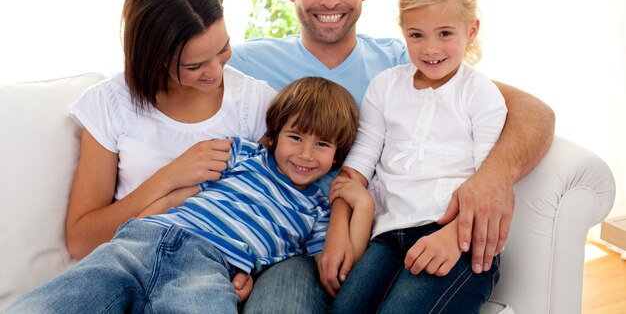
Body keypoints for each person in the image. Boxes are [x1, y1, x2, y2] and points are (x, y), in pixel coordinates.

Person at [228, 0, 555, 312]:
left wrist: (493, 181)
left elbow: (534, 112)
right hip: (302, 239)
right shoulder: (247, 62)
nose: (330, 0)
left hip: (402, 230)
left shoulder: (409, 62)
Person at [7, 77, 373, 314]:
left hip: (209, 269)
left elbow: (341, 263)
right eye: (295, 137)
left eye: (322, 145)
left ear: (337, 155)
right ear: (274, 134)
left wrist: (363, 203)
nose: (306, 154)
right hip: (147, 239)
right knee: (54, 303)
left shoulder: (314, 210)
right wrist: (140, 222)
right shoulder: (244, 154)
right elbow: (183, 193)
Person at [64, 0, 276, 299]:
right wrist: (169, 178)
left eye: (223, 50)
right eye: (194, 66)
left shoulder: (255, 103)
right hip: (125, 260)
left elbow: (274, 208)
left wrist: (249, 268)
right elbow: (81, 240)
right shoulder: (110, 103)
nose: (216, 72)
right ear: (156, 58)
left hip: (203, 272)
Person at [330, 0, 506, 313]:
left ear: (471, 30)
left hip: (456, 240)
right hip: (386, 238)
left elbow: (490, 184)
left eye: (444, 33)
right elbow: (358, 167)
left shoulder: (480, 94)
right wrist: (338, 232)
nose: (430, 48)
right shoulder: (385, 86)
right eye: (416, 35)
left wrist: (456, 236)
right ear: (402, 32)